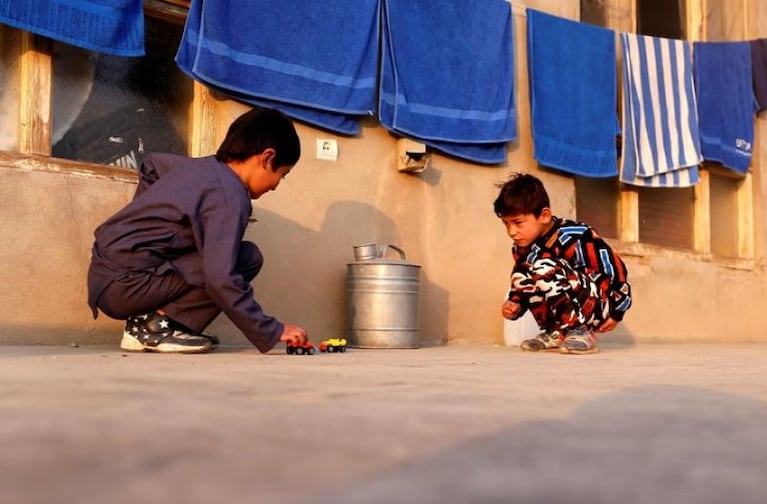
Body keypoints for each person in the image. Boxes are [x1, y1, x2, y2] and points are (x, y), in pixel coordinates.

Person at [87, 107, 309, 354]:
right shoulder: (229, 196)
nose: (276, 186)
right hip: (126, 287)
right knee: (246, 258)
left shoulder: (200, 168)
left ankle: (160, 324)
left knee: (219, 256)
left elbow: (151, 165)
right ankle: (155, 327)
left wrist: (152, 222)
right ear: (267, 158)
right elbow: (221, 279)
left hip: (106, 275)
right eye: (283, 175)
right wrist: (271, 329)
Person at [495, 173, 632, 354]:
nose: (512, 231)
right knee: (523, 272)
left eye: (518, 223)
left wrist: (617, 312)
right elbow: (523, 283)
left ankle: (581, 332)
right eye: (506, 224)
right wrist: (515, 303)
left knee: (543, 267)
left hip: (599, 305)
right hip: (565, 302)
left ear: (544, 215)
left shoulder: (576, 236)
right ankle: (556, 331)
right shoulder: (522, 247)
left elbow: (616, 270)